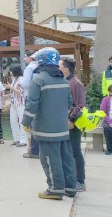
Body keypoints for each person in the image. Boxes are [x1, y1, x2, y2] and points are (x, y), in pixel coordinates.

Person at [22, 47, 76, 200]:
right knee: (66, 158)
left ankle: (55, 189)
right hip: (62, 128)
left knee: (50, 160)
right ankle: (70, 187)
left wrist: (26, 122)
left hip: (46, 130)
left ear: (41, 62)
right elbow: (68, 104)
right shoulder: (64, 81)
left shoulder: (38, 80)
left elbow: (32, 104)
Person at [59, 57, 86, 191]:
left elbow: (80, 105)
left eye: (59, 66)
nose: (58, 68)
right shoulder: (66, 81)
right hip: (65, 122)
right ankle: (70, 178)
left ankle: (80, 181)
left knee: (75, 151)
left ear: (65, 68)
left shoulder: (75, 83)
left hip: (73, 123)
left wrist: (71, 119)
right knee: (67, 151)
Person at [21, 51, 40, 158]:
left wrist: (19, 83)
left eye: (25, 57)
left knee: (31, 124)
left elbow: (25, 83)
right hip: (40, 98)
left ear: (30, 57)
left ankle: (33, 150)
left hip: (30, 97)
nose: (24, 59)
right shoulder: (40, 68)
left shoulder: (29, 68)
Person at [4, 65, 27, 147]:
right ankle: (16, 139)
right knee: (13, 121)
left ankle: (23, 140)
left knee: (21, 121)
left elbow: (20, 92)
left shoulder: (21, 80)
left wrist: (10, 87)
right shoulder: (14, 80)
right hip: (13, 103)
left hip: (20, 103)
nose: (10, 72)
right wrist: (6, 96)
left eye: (11, 71)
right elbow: (13, 92)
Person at [100, 85, 112, 155]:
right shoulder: (105, 100)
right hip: (107, 120)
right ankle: (110, 149)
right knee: (107, 128)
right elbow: (102, 112)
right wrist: (110, 122)